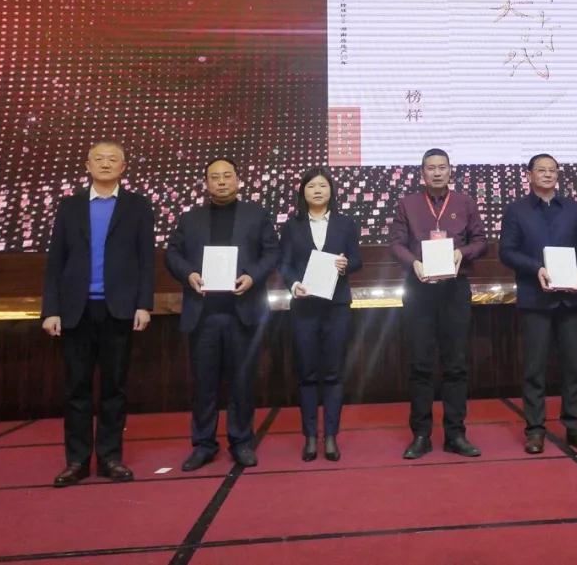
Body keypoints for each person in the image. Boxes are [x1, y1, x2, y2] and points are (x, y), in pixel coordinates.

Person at [41, 140, 155, 487]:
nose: (106, 164)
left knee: (114, 388)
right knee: (76, 388)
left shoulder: (138, 206)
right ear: (88, 165)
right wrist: (51, 309)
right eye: (99, 159)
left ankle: (110, 458)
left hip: (118, 309)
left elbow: (146, 260)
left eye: (113, 159)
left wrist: (143, 304)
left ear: (123, 167)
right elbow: (55, 261)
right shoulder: (70, 206)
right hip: (76, 310)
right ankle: (76, 461)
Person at [165, 158, 281, 471]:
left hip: (243, 311)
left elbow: (272, 252)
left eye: (227, 176)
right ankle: (203, 444)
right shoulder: (190, 219)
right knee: (204, 383)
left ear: (238, 180)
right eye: (214, 177)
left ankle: (241, 442)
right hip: (203, 313)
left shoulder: (256, 215)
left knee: (242, 381)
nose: (221, 182)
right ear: (206, 183)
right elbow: (172, 253)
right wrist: (189, 274)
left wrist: (252, 276)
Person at [389, 148, 488, 459]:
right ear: (422, 173)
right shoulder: (407, 203)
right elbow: (396, 244)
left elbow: (481, 241)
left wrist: (462, 253)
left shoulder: (465, 202)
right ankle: (421, 435)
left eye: (441, 167)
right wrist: (414, 263)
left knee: (456, 365)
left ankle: (455, 434)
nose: (436, 172)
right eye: (430, 168)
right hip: (419, 290)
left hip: (454, 291)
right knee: (420, 364)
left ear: (450, 170)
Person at [500, 153, 577, 454]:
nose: (547, 174)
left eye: (552, 170)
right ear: (528, 175)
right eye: (541, 170)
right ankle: (535, 429)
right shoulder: (516, 210)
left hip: (570, 298)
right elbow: (507, 251)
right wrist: (536, 268)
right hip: (535, 299)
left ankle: (575, 427)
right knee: (534, 369)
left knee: (573, 367)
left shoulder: (573, 209)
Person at [279, 167, 363, 462]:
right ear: (303, 192)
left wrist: (346, 264)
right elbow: (284, 264)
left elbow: (357, 260)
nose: (317, 190)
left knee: (333, 373)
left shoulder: (345, 223)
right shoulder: (292, 226)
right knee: (307, 374)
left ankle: (330, 436)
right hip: (304, 309)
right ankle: (310, 437)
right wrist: (293, 285)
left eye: (322, 186)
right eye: (311, 186)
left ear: (331, 191)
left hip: (336, 307)